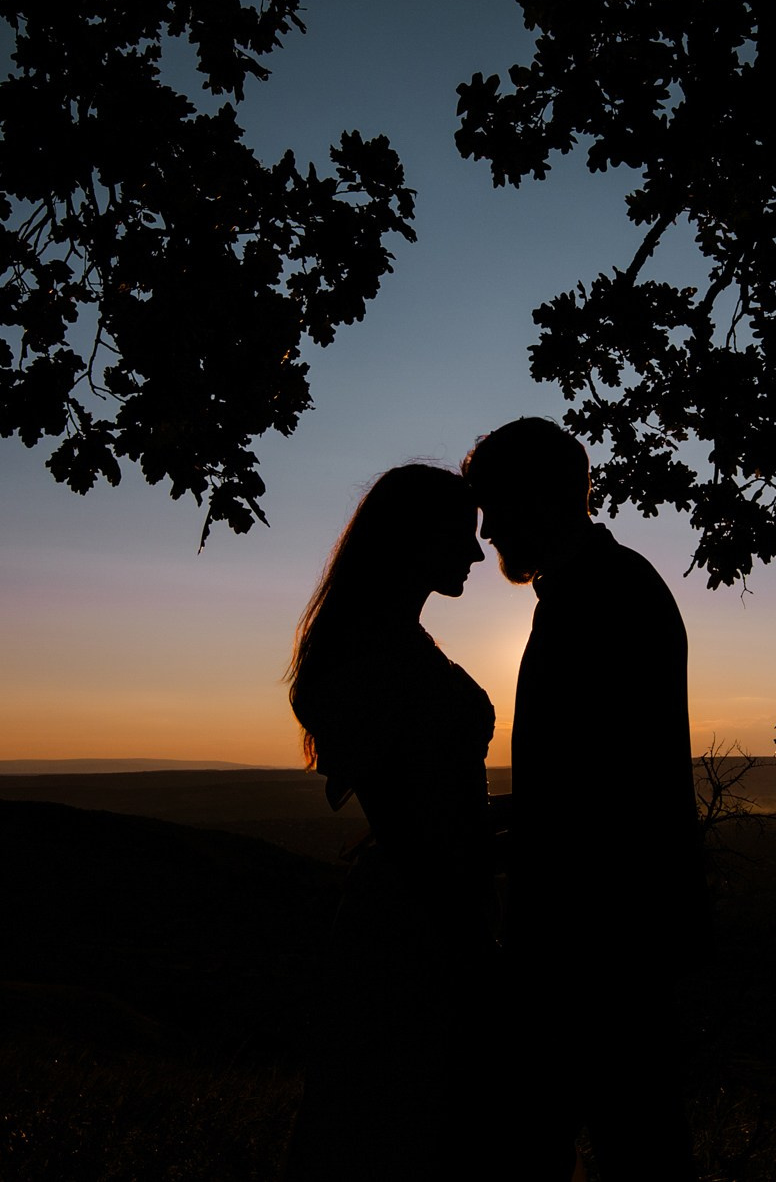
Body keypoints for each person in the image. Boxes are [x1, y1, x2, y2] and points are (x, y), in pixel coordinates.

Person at [463, 417, 705, 1181]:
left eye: (495, 504)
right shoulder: (588, 589)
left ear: (544, 497)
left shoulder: (607, 594)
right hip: (601, 932)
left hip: (603, 935)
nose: (488, 526)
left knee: (627, 1143)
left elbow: (614, 793)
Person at [281, 463, 499, 1182]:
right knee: (408, 1128)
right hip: (421, 920)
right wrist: (473, 934)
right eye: (461, 536)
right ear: (414, 539)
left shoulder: (384, 644)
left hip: (420, 908)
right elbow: (420, 820)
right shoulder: (374, 655)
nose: (476, 554)